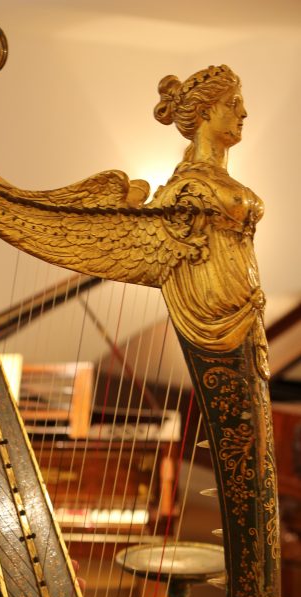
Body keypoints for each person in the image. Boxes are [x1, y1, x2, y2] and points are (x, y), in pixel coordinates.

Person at [152, 65, 268, 377]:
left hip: (248, 311)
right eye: (233, 103)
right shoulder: (186, 190)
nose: (244, 113)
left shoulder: (212, 183)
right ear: (204, 111)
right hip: (220, 319)